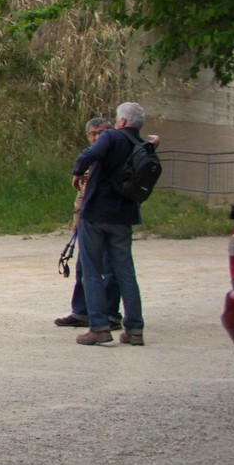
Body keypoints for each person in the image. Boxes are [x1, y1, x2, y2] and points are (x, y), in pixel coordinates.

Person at [72, 102, 153, 346]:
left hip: (97, 213)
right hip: (125, 215)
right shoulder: (143, 146)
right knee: (125, 272)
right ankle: (135, 329)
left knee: (91, 271)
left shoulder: (110, 137)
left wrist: (77, 171)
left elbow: (89, 155)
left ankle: (99, 327)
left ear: (122, 121)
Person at [55, 118, 122, 331]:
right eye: (93, 133)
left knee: (110, 268)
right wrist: (76, 220)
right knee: (83, 267)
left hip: (109, 218)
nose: (97, 137)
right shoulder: (89, 158)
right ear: (88, 136)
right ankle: (82, 311)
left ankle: (111, 314)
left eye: (102, 132)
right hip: (88, 219)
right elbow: (81, 194)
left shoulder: (115, 156)